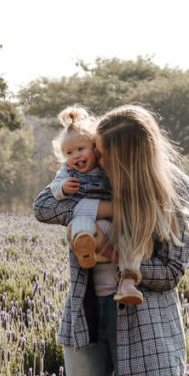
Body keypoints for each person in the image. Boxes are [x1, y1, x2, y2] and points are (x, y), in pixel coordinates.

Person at [33, 104, 189, 376]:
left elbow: (172, 272)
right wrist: (96, 203)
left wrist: (116, 251)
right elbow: (45, 208)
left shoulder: (173, 193)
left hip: (142, 326)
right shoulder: (94, 179)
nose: (95, 158)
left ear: (128, 155)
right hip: (86, 320)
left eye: (103, 152)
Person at [46, 106, 143, 304]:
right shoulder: (68, 171)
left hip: (111, 226)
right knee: (80, 223)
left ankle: (127, 281)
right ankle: (85, 249)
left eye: (81, 149)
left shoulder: (104, 167)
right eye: (69, 152)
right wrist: (63, 188)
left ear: (94, 148)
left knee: (127, 239)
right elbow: (51, 193)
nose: (76, 156)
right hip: (88, 228)